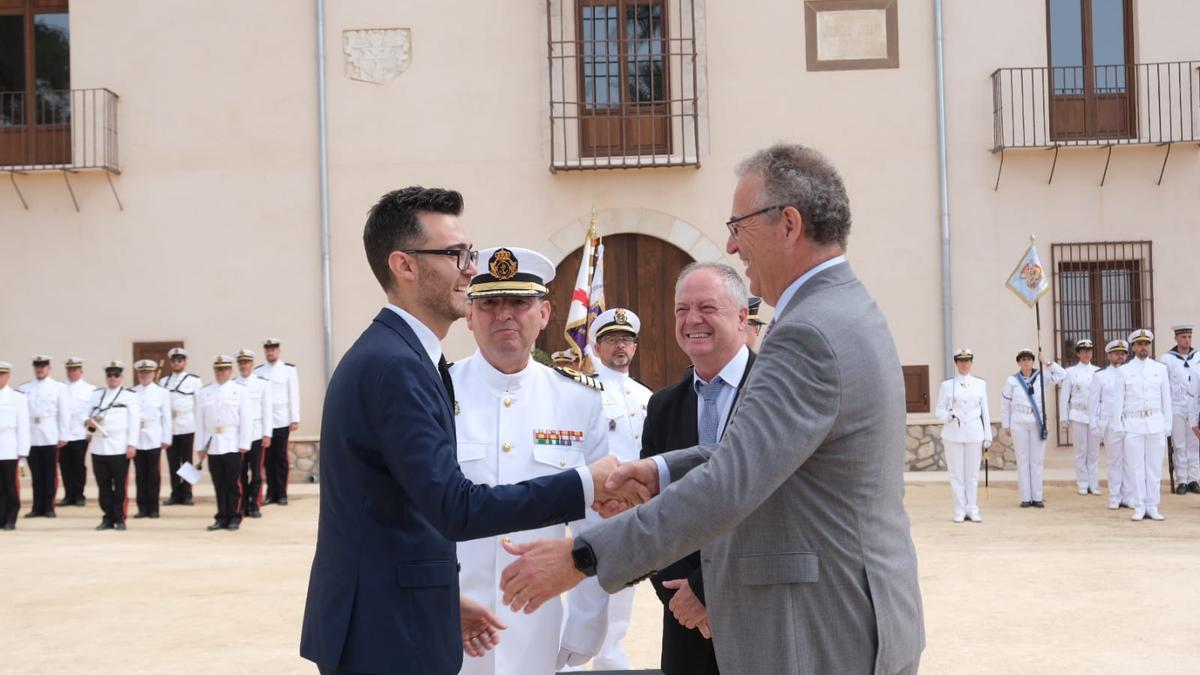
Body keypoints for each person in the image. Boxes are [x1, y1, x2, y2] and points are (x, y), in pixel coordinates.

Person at [499, 144, 925, 675]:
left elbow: (731, 482)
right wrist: (660, 470)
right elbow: (761, 454)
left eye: (739, 225)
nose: (730, 244)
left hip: (820, 628)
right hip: (850, 615)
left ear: (788, 224)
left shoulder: (808, 332)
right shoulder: (845, 307)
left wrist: (582, 557)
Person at [298, 186, 644, 675]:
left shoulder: (405, 358)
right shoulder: (400, 366)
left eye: (468, 254)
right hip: (392, 634)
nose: (467, 267)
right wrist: (586, 483)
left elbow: (404, 517)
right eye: (455, 254)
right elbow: (454, 507)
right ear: (405, 265)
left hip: (461, 620)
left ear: (543, 313)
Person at [451, 246, 610, 675]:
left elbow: (595, 522)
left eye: (519, 302)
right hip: (449, 621)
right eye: (489, 303)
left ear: (544, 314)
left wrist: (585, 626)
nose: (504, 314)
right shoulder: (435, 393)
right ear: (469, 316)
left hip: (538, 628)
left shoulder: (579, 400)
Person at [638, 262, 755, 675]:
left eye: (707, 307)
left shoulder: (776, 392)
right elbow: (652, 515)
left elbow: (781, 506)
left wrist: (708, 591)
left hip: (762, 614)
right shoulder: (663, 407)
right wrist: (682, 597)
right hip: (684, 619)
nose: (692, 320)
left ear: (742, 317)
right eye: (681, 309)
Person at [564, 307, 655, 672]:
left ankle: (611, 652)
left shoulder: (646, 396)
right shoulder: (583, 391)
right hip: (595, 502)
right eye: (612, 339)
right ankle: (570, 654)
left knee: (626, 578)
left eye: (627, 339)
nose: (621, 346)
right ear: (597, 346)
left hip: (633, 504)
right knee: (586, 578)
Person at [1109, 329, 1171, 521]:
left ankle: (1152, 506)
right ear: (1133, 347)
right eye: (1139, 344)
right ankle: (1139, 506)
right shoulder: (1124, 371)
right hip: (1133, 423)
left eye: (1146, 344)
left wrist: (1167, 425)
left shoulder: (1160, 369)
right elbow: (1118, 401)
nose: (1143, 347)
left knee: (1153, 468)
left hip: (1155, 422)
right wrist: (1118, 426)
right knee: (1135, 468)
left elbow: (1166, 399)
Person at [195, 355, 254, 531]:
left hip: (232, 442)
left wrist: (244, 442)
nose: (221, 373)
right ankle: (221, 516)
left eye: (224, 369)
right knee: (218, 483)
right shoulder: (204, 392)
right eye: (218, 370)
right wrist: (199, 446)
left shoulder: (240, 391)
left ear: (230, 371)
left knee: (233, 483)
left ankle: (235, 516)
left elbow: (246, 419)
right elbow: (199, 422)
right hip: (212, 444)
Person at [1000, 348, 1065, 508]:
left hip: (1037, 421)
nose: (1026, 362)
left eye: (1029, 359)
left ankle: (1037, 497)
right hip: (1018, 421)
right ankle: (1025, 498)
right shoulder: (1012, 381)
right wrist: (1006, 424)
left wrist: (1047, 362)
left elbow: (1063, 375)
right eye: (1022, 360)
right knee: (1022, 460)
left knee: (1036, 461)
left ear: (1033, 361)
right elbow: (1005, 404)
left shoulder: (1042, 376)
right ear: (1018, 362)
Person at [934, 348, 992, 523]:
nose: (964, 364)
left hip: (974, 432)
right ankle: (959, 509)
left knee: (972, 475)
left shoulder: (980, 384)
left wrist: (987, 435)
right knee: (956, 474)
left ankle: (972, 509)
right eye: (961, 361)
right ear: (956, 363)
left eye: (967, 361)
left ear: (971, 362)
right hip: (953, 433)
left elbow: (985, 412)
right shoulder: (947, 385)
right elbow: (939, 410)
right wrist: (947, 417)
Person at [86, 361, 140, 531]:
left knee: (119, 485)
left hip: (119, 446)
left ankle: (119, 517)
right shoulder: (96, 395)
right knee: (103, 485)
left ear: (122, 377)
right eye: (109, 375)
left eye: (116, 375)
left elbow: (134, 422)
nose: (112, 378)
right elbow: (86, 417)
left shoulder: (129, 396)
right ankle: (107, 517)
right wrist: (92, 420)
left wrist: (132, 444)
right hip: (99, 446)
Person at [18, 355, 69, 518]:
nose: (40, 369)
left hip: (49, 434)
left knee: (49, 473)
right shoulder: (25, 388)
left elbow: (64, 412)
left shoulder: (58, 387)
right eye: (37, 366)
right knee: (36, 474)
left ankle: (48, 506)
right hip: (32, 435)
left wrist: (63, 435)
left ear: (49, 368)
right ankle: (36, 507)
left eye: (43, 366)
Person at [256, 338, 300, 506]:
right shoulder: (259, 371)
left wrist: (294, 418)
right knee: (268, 459)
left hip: (282, 419)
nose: (270, 352)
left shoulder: (288, 370)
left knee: (280, 457)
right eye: (267, 349)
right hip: (264, 422)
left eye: (273, 349)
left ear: (279, 350)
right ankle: (271, 492)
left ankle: (282, 493)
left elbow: (293, 394)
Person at [1090, 339, 1131, 510]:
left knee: (1130, 461)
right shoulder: (1100, 376)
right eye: (1116, 353)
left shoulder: (1131, 373)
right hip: (1110, 424)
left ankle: (1128, 496)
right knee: (1114, 461)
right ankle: (1114, 496)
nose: (1120, 356)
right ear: (1109, 355)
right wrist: (1094, 424)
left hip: (1130, 422)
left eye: (1122, 353)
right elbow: (1093, 403)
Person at [1059, 339, 1102, 496]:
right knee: (1080, 451)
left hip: (1093, 416)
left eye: (1089, 351)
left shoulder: (1098, 371)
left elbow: (1102, 397)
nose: (1087, 354)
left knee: (1093, 452)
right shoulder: (1071, 372)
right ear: (1078, 353)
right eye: (1083, 351)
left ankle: (1094, 484)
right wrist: (1064, 417)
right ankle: (1083, 483)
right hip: (1077, 414)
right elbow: (1065, 397)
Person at [1159, 324, 1198, 494]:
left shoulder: (1198, 357)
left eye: (1189, 337)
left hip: (1194, 407)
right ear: (1176, 338)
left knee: (1195, 445)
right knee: (1179, 444)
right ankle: (1182, 479)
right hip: (1176, 406)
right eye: (1183, 337)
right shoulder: (1166, 359)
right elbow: (1163, 386)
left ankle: (1193, 479)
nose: (1187, 340)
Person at [234, 349, 273, 519]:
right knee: (240, 473)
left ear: (252, 364)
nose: (244, 366)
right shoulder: (233, 385)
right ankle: (242, 504)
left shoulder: (262, 384)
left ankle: (255, 504)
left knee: (256, 473)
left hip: (257, 434)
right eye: (241, 363)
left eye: (247, 362)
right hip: (238, 437)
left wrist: (267, 434)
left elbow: (267, 410)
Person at [160, 348, 201, 506]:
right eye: (174, 360)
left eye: (180, 360)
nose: (177, 363)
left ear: (185, 362)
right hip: (171, 426)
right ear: (171, 363)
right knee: (172, 462)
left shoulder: (194, 380)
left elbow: (199, 405)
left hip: (186, 425)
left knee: (187, 461)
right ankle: (175, 492)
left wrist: (199, 427)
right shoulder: (164, 381)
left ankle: (187, 492)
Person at [131, 360, 171, 519]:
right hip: (137, 437)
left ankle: (154, 508)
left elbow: (166, 417)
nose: (144, 375)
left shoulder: (162, 393)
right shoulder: (132, 392)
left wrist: (166, 437)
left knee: (153, 475)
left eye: (148, 372)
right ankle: (142, 508)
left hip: (154, 437)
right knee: (140, 475)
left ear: (154, 374)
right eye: (142, 372)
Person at [0, 361, 30, 531]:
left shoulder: (17, 397)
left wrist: (23, 452)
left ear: (8, 376)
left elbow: (23, 425)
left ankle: (11, 517)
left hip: (9, 446)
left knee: (9, 484)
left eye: (2, 375)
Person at [59, 357, 93, 507]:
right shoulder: (60, 388)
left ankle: (79, 495)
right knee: (65, 465)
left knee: (78, 465)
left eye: (75, 370)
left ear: (81, 371)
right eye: (69, 370)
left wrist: (91, 432)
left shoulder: (90, 389)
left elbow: (92, 413)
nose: (72, 373)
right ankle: (68, 495)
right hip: (64, 434)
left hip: (80, 433)